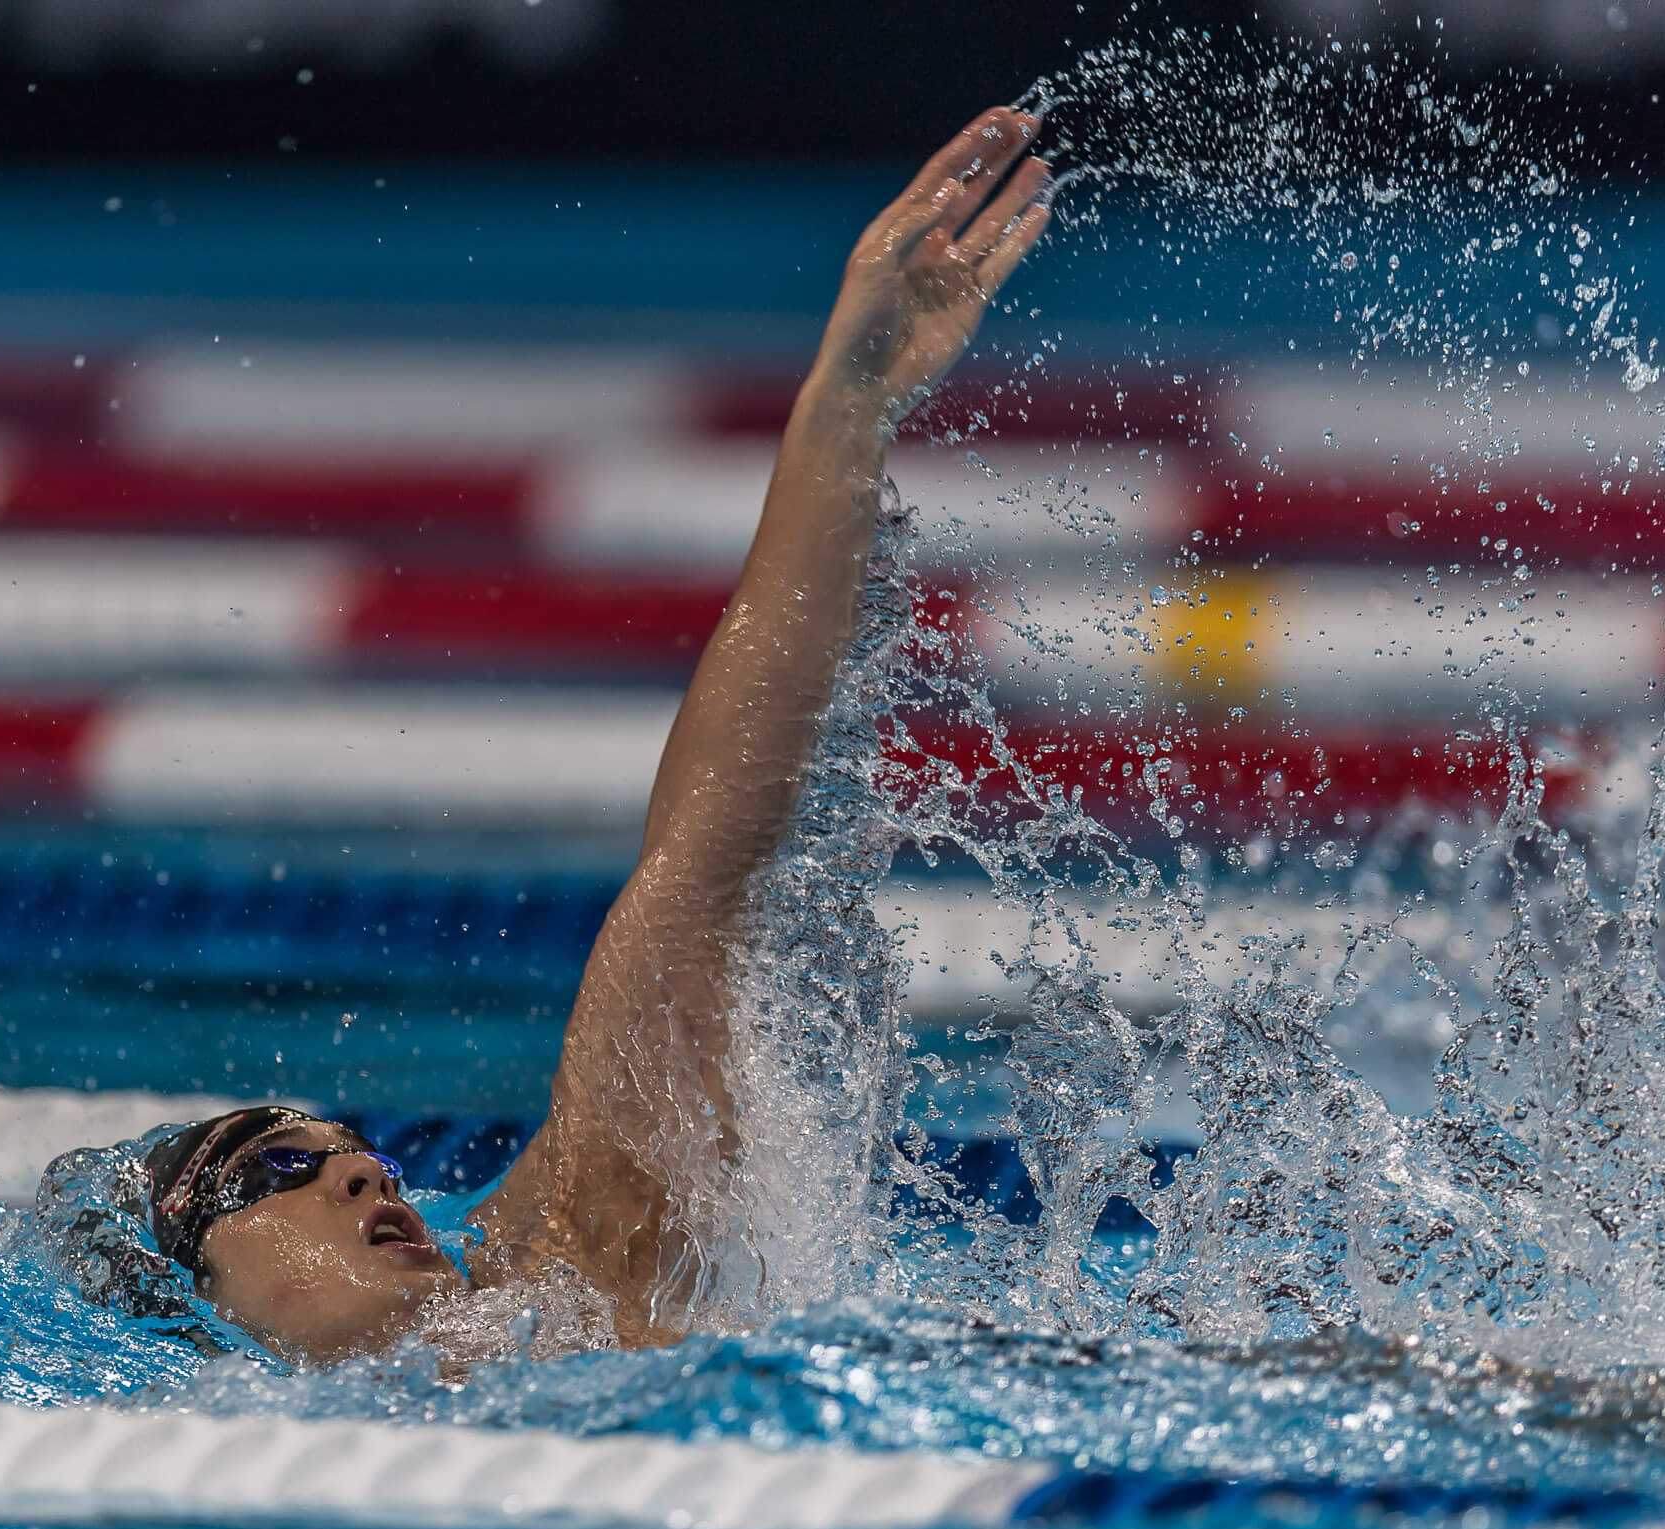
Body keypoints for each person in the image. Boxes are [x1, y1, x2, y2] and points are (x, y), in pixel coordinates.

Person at [125, 108, 1054, 1365]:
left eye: (352, 1152)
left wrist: (847, 404)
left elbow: (704, 856)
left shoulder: (560, 1267)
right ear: (191, 1303)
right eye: (281, 1168)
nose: (366, 1177)